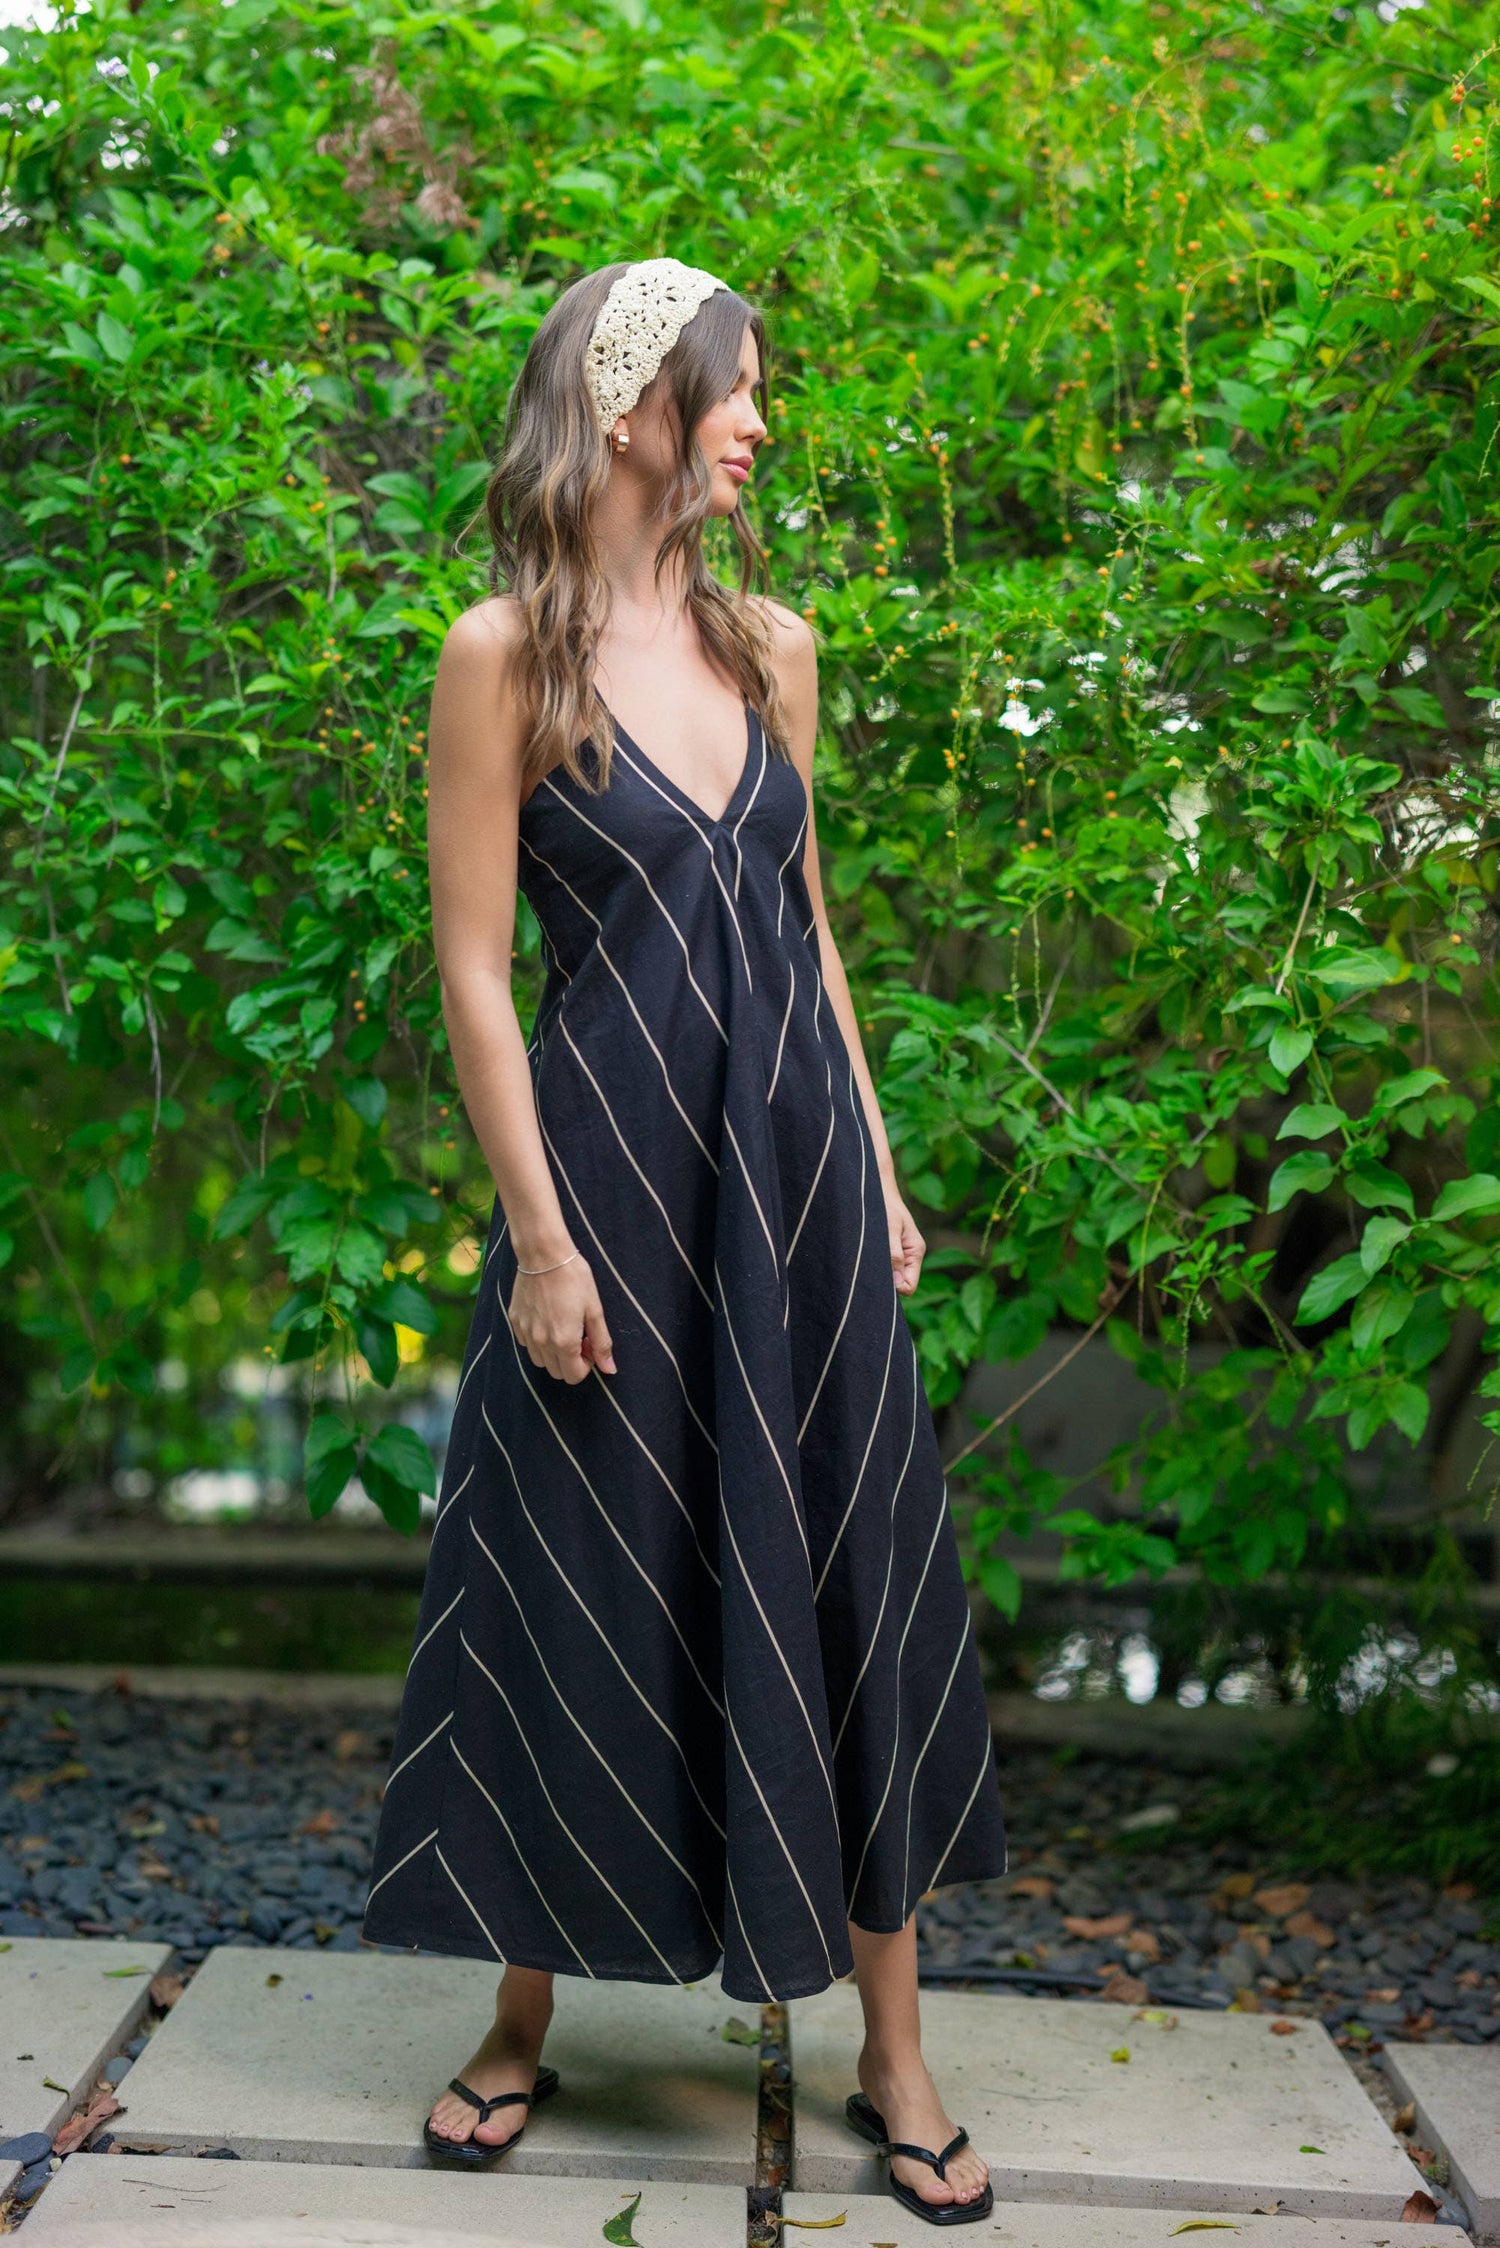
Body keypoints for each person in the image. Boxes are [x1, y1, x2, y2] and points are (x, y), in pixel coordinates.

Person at [359, 256, 1007, 2225]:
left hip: (796, 1186)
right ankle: (521, 2010)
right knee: (575, 1572)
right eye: (736, 390)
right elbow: (478, 975)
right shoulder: (502, 656)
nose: (756, 422)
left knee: (844, 1571)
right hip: (613, 1194)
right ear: (634, 403)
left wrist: (876, 1167)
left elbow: (810, 940)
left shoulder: (775, 647)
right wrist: (542, 1240)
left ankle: (892, 2049)